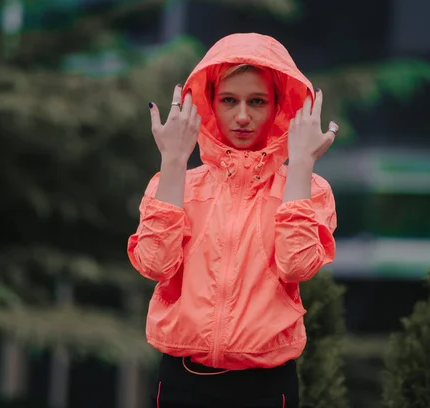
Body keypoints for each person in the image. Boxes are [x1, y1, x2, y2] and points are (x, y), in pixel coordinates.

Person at [127, 32, 338, 408]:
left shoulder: (308, 188)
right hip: (183, 381)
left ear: (278, 108)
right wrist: (173, 161)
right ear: (209, 105)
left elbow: (297, 265)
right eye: (229, 100)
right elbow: (154, 264)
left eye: (257, 101)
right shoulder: (176, 183)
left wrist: (302, 163)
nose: (243, 116)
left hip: (267, 387)